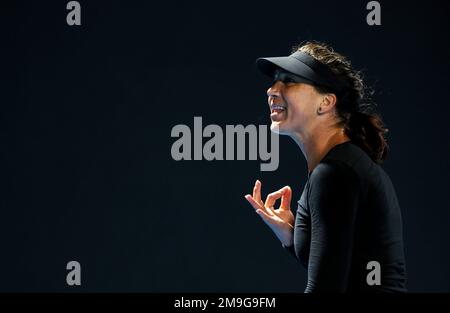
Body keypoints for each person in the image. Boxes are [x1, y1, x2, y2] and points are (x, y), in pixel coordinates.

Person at [244, 41, 407, 293]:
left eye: (288, 81)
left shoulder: (334, 174)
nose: (272, 90)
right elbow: (344, 272)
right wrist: (291, 237)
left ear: (326, 102)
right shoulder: (341, 165)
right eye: (274, 81)